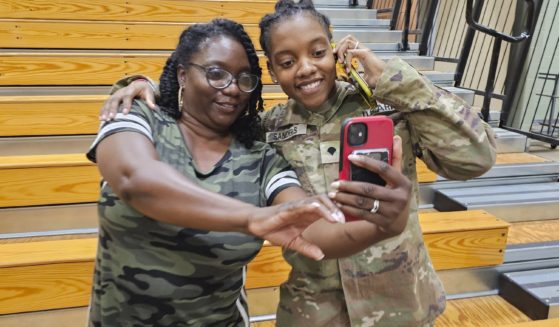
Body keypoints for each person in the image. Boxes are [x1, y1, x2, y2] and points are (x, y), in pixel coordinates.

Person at [100, 1, 497, 325]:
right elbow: (210, 100)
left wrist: (396, 79)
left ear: (334, 49)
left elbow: (475, 159)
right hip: (313, 312)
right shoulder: (268, 129)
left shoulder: (387, 107)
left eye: (318, 52)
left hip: (400, 305)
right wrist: (146, 84)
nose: (306, 68)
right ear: (272, 71)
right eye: (287, 62)